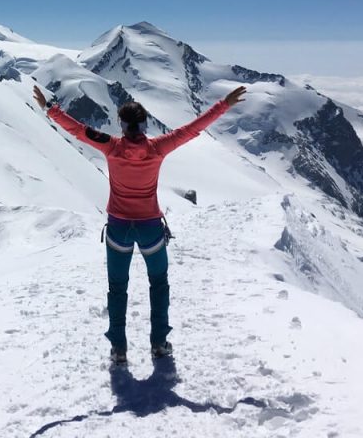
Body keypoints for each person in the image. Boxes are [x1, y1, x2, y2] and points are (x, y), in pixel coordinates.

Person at [32, 83, 246, 363]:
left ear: (121, 125)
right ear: (144, 125)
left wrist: (49, 109)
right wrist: (224, 104)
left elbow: (77, 129)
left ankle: (118, 348)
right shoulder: (158, 148)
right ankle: (159, 344)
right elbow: (192, 129)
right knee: (158, 284)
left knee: (117, 287)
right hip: (150, 229)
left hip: (118, 228)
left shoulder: (110, 146)